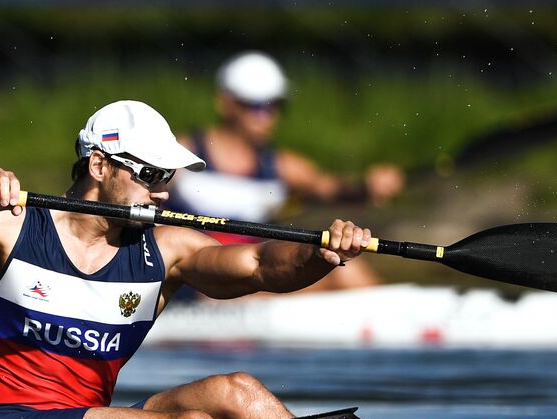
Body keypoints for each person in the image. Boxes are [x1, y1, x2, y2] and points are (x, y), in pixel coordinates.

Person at [0, 100, 372, 419]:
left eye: (168, 177)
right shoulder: (7, 226)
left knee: (238, 392)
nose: (163, 192)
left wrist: (321, 254)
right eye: (150, 175)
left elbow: (261, 265)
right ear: (99, 166)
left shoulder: (165, 250)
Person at [170, 51, 403, 291]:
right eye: (257, 106)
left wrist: (365, 187)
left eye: (274, 106)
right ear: (226, 103)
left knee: (348, 271)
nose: (267, 117)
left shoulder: (282, 166)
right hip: (191, 283)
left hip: (248, 280)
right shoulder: (180, 151)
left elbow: (330, 189)